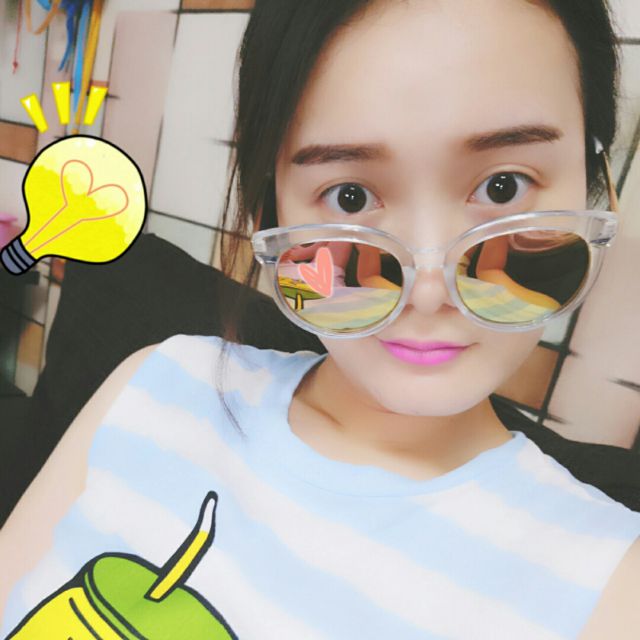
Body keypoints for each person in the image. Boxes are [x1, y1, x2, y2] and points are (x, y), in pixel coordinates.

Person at [1, 0, 639, 638]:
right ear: (271, 212)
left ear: (594, 187)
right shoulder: (156, 380)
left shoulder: (612, 586)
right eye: (350, 197)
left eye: (504, 186)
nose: (427, 291)